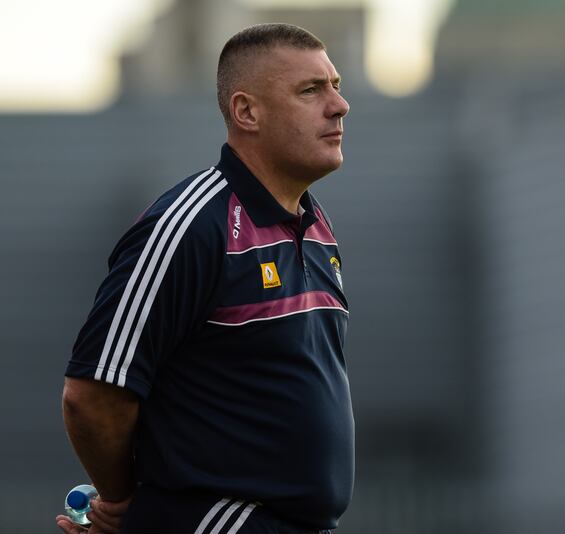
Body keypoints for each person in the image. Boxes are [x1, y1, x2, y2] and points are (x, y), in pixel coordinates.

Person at [56, 23, 353, 534]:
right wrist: (122, 500)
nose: (339, 105)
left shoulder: (315, 224)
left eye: (335, 85)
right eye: (310, 90)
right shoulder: (191, 227)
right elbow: (93, 395)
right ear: (246, 112)